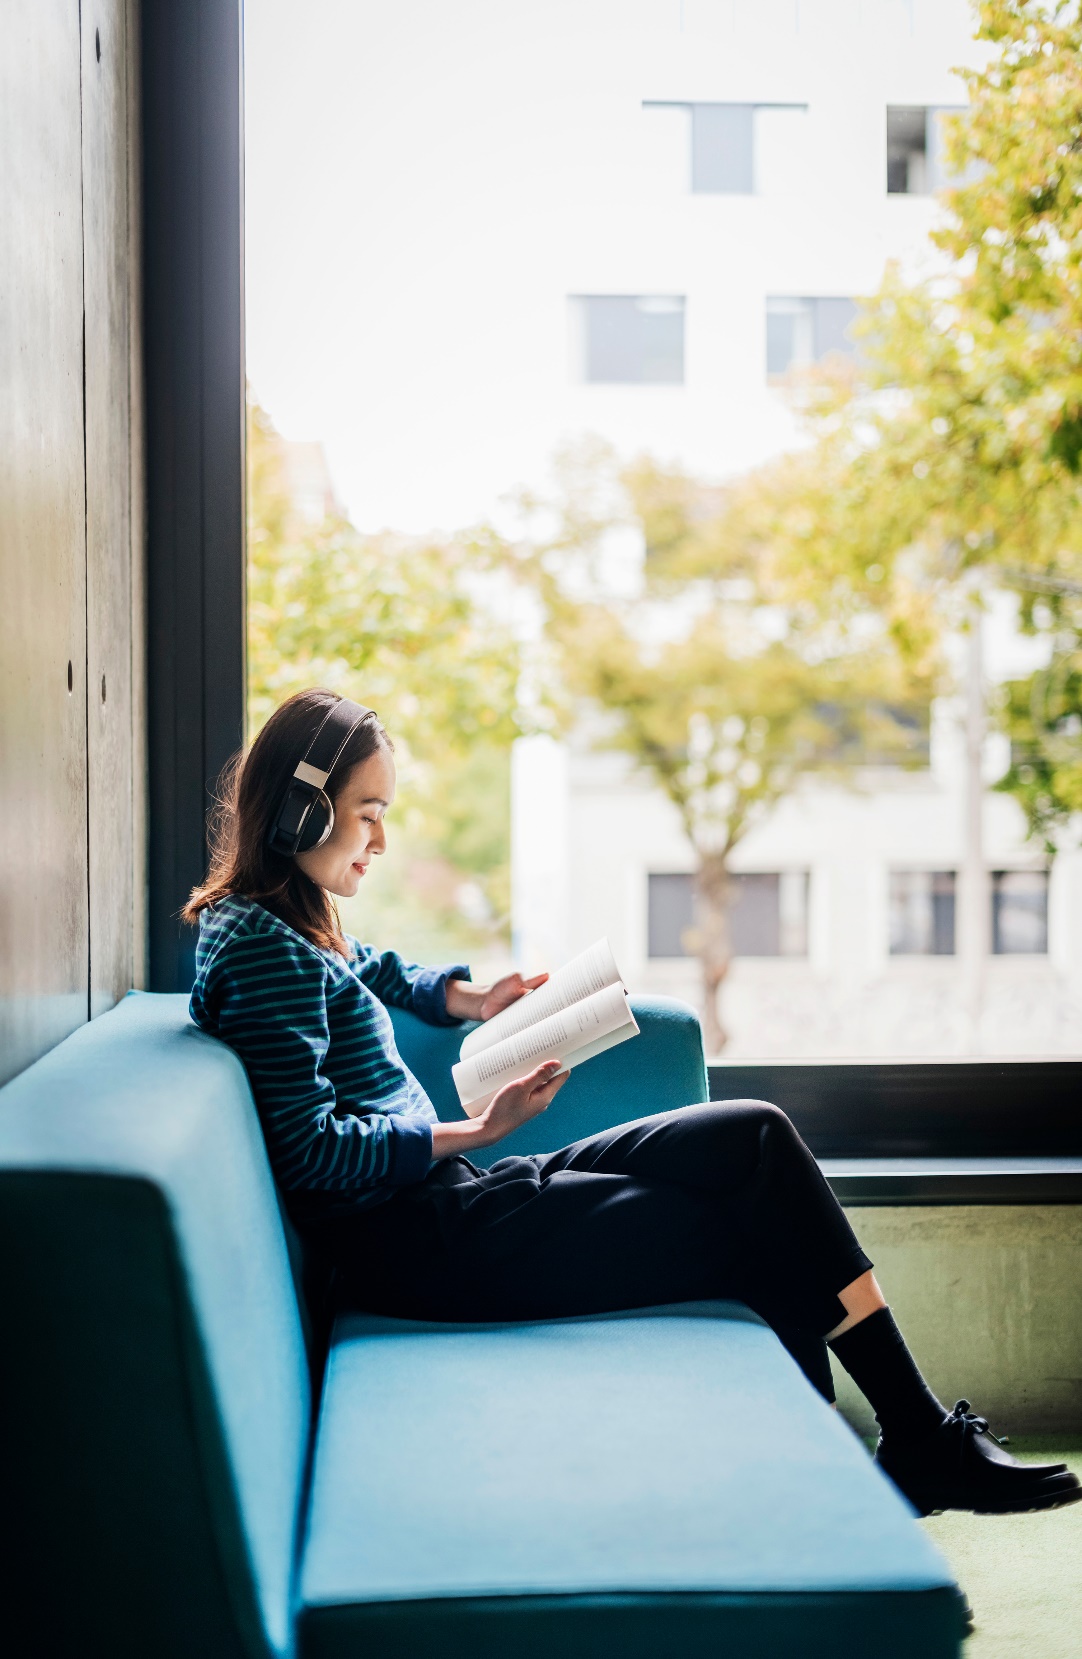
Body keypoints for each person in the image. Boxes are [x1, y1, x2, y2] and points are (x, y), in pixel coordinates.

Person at [185, 688, 1079, 1520]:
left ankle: (912, 1440)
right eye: (368, 813)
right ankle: (870, 1477)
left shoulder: (284, 921)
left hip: (454, 1207)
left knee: (754, 1139)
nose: (379, 840)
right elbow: (309, 1151)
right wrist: (478, 1129)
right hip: (424, 1245)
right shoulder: (267, 950)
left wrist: (467, 997)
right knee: (746, 1226)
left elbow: (364, 969)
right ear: (304, 808)